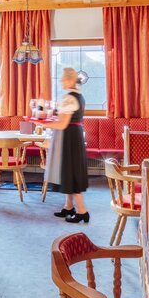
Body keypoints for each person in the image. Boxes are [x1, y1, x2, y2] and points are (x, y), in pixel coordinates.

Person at [43, 67, 90, 223]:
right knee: (69, 172)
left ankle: (82, 211)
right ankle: (68, 207)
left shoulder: (68, 98)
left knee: (71, 172)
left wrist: (43, 124)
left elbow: (62, 124)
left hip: (69, 138)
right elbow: (66, 120)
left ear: (70, 80)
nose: (61, 80)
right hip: (74, 135)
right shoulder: (79, 96)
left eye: (63, 78)